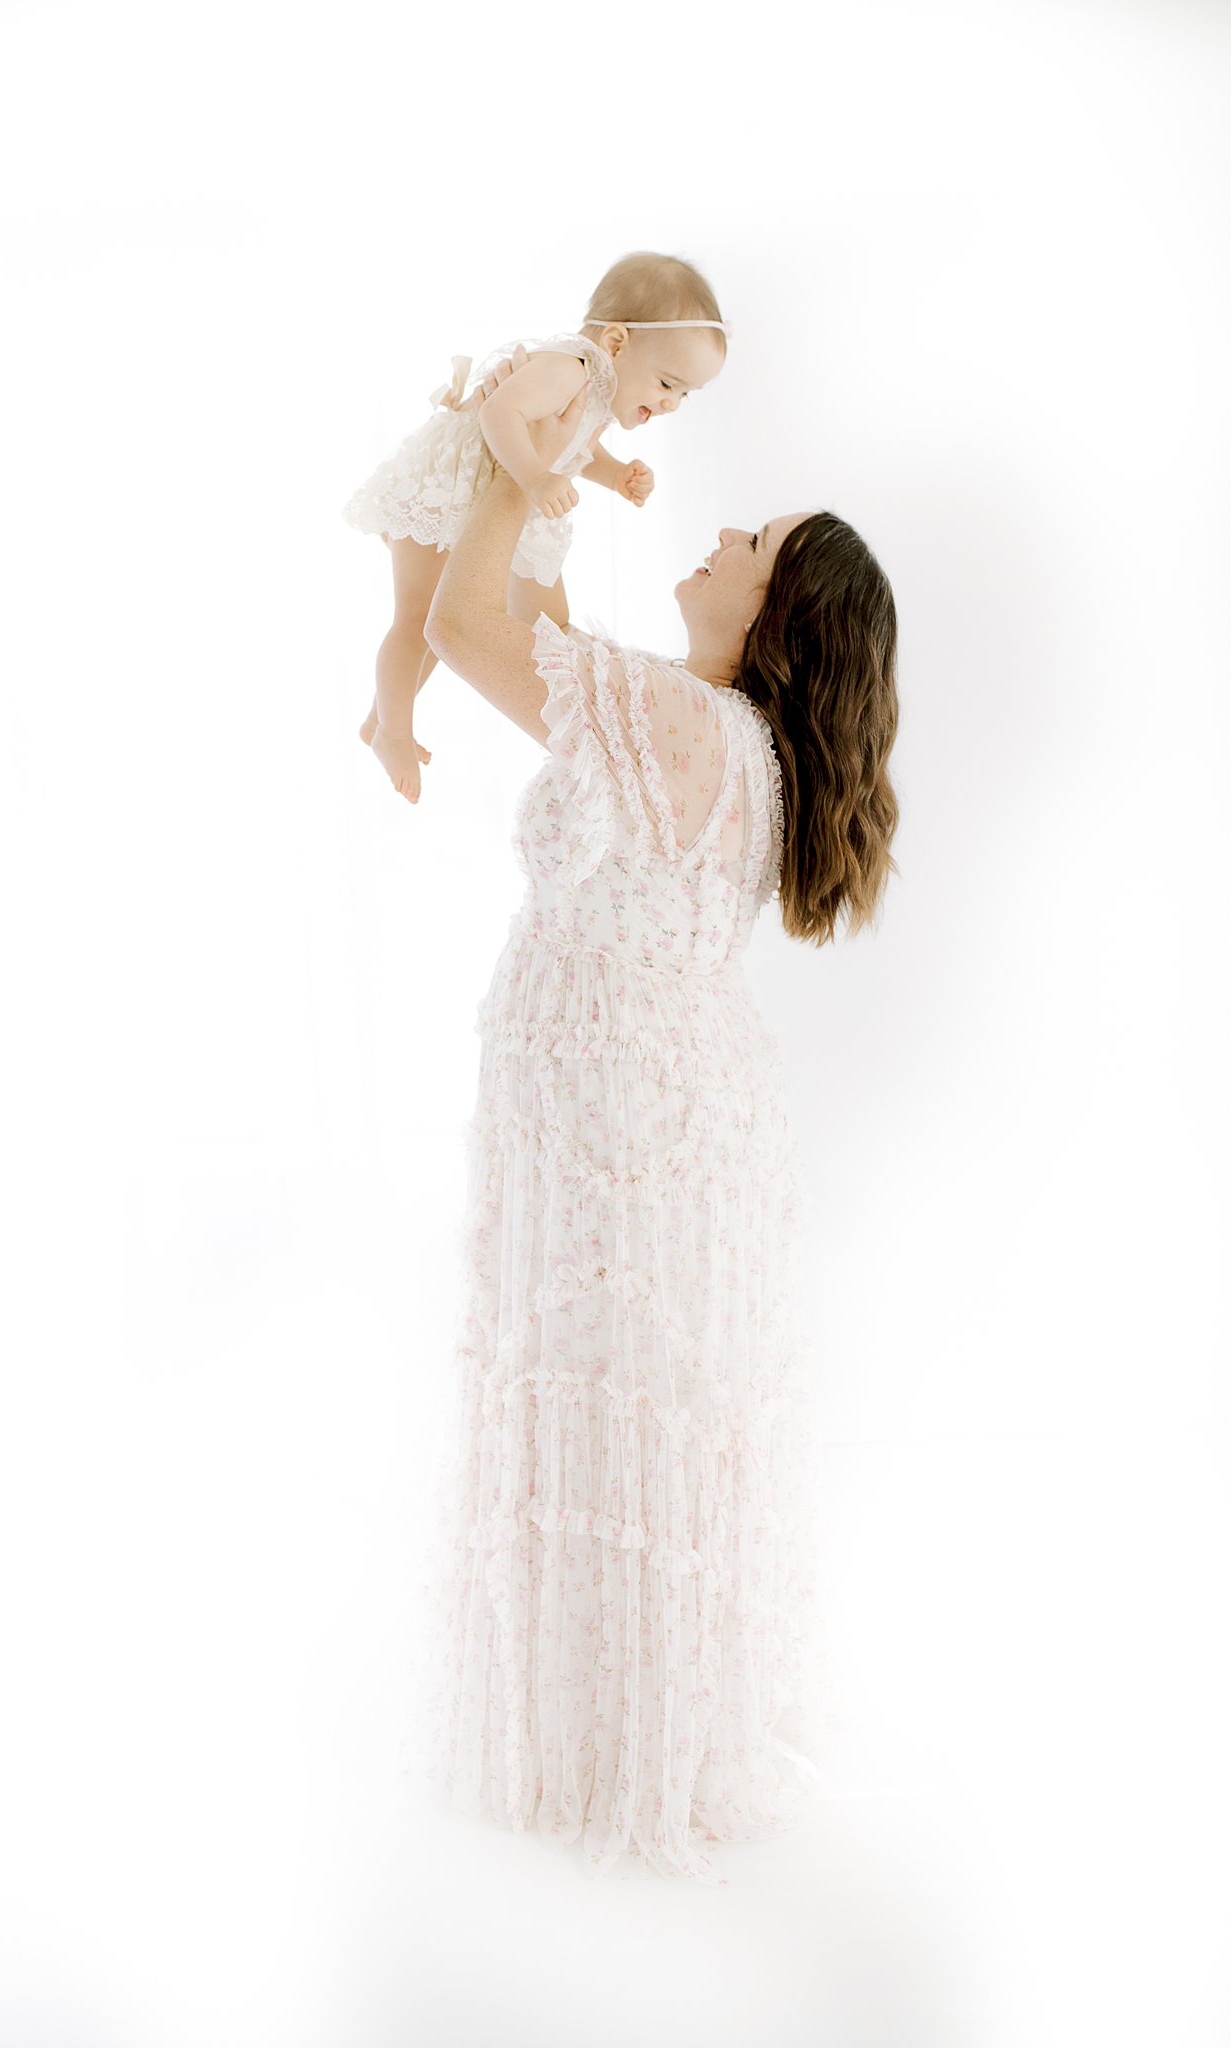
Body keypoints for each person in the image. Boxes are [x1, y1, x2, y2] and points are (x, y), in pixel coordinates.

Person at [396, 370, 900, 1886]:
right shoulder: (707, 737)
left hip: (627, 1108)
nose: (718, 534)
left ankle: (610, 1753)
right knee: (629, 1406)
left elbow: (462, 631)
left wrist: (500, 454)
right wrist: (546, 463)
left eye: (748, 540)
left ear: (777, 612)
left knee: (611, 1399)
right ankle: (617, 1731)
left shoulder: (680, 726)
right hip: (646, 1098)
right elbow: (518, 619)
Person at [343, 250, 729, 802]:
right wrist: (533, 477)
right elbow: (499, 412)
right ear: (617, 343)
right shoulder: (571, 366)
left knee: (544, 623)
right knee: (419, 617)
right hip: (452, 490)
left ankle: (385, 715)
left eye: (685, 394)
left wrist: (616, 474)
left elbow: (578, 444)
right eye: (668, 383)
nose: (672, 403)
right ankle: (392, 733)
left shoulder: (595, 389)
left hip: (508, 498)